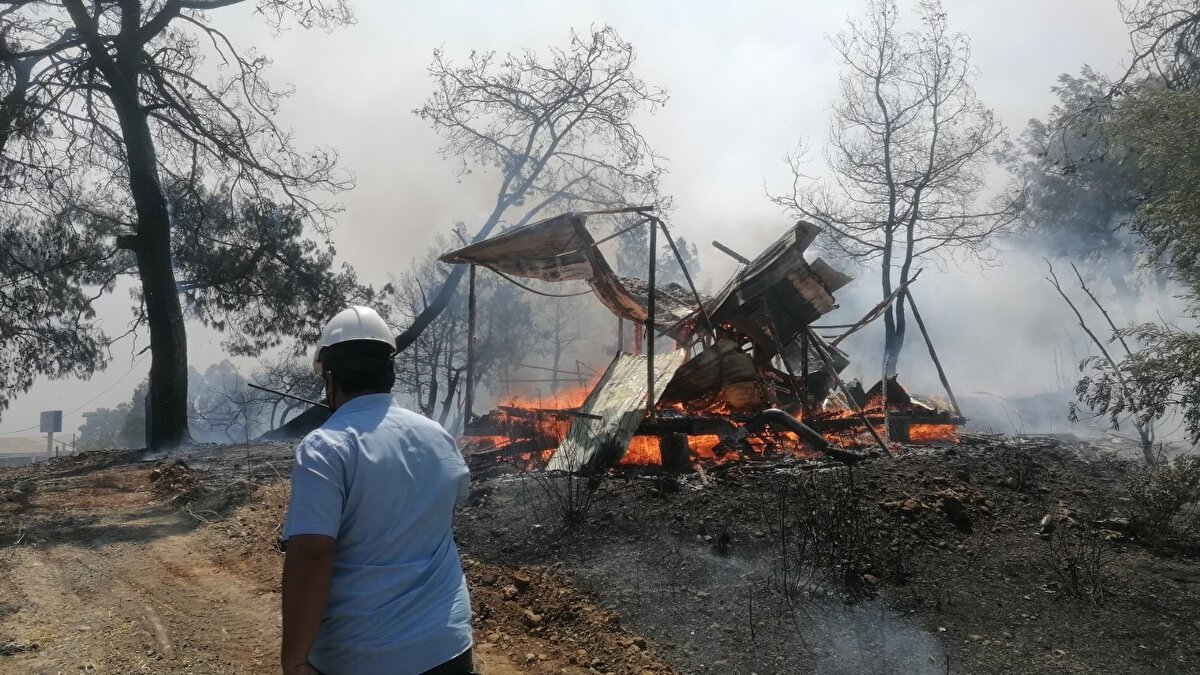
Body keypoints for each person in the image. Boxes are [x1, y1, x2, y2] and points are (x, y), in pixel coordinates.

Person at [280, 306, 474, 675]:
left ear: (331, 379)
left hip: (361, 656)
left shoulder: (325, 447)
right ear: (389, 373)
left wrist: (294, 662)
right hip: (448, 646)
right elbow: (447, 506)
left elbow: (312, 556)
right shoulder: (437, 436)